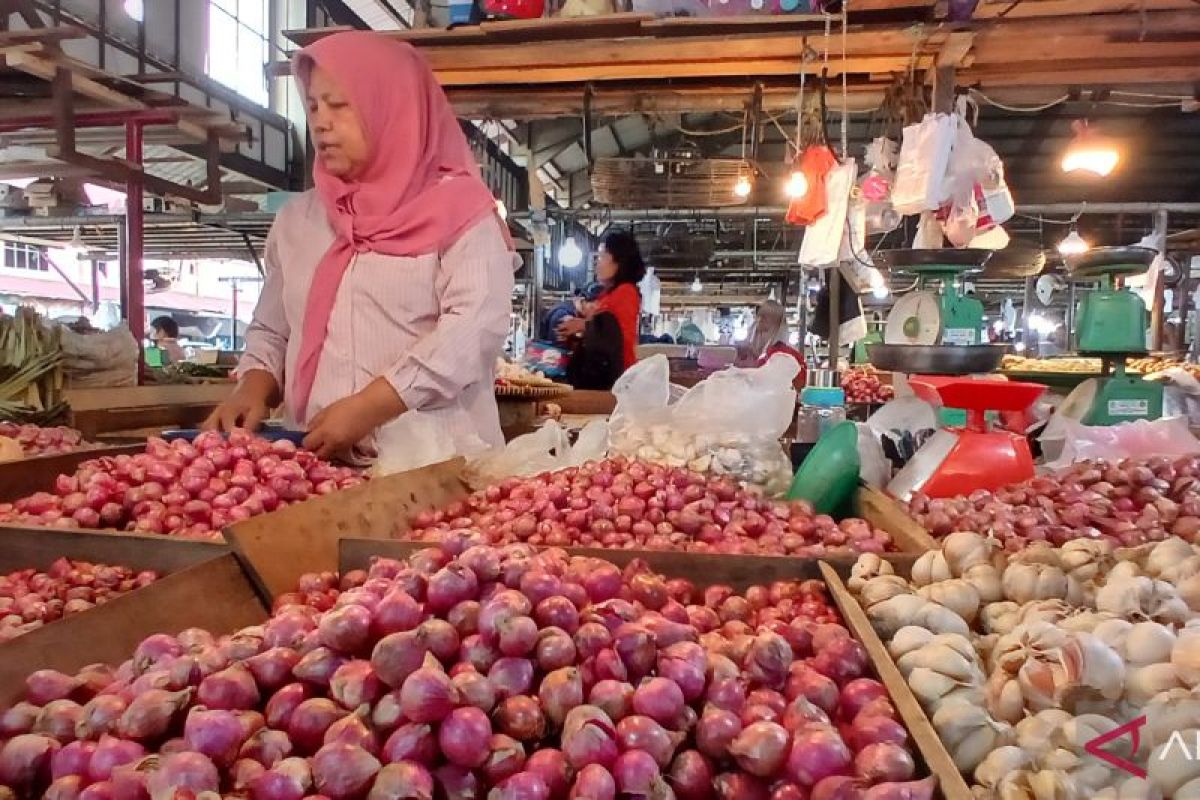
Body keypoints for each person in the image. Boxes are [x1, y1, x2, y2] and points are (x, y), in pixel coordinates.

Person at [203, 32, 515, 461]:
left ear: (392, 108)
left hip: (435, 471)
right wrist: (252, 386)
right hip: (313, 465)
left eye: (339, 105)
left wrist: (370, 407)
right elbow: (273, 329)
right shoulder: (299, 221)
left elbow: (472, 330)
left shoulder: (461, 214)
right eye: (313, 105)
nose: (321, 122)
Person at [736, 299, 807, 384]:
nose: (759, 320)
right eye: (759, 316)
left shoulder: (783, 355)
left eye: (764, 317)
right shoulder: (755, 348)